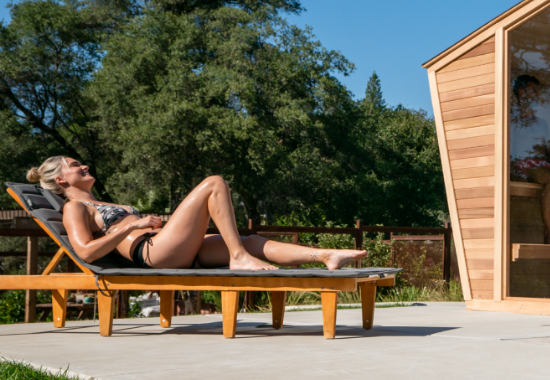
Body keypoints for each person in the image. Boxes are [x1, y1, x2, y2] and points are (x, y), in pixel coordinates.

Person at [27, 156, 367, 270]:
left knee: (249, 239)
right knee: (214, 183)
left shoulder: (103, 201)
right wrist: (137, 225)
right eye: (75, 165)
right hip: (152, 252)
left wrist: (149, 221)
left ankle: (326, 256)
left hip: (168, 245)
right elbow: (84, 251)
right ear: (60, 179)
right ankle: (238, 257)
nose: (83, 165)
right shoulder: (76, 206)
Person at [510, 75, 550, 246]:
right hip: (522, 165)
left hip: (542, 165)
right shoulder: (512, 120)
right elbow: (508, 149)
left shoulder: (541, 123)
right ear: (521, 92)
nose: (537, 95)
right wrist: (511, 173)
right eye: (533, 90)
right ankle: (548, 232)